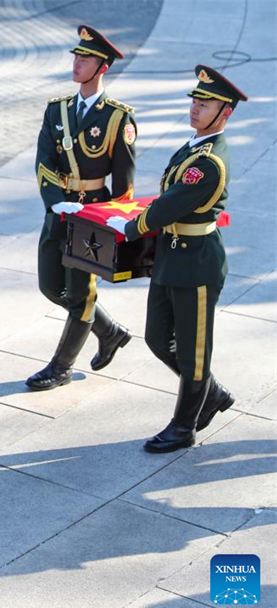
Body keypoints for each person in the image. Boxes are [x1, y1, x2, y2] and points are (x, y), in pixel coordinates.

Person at [106, 66, 245, 453]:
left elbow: (171, 203)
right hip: (171, 255)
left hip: (197, 263)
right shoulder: (194, 146)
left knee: (193, 350)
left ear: (225, 112)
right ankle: (211, 394)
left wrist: (131, 227)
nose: (196, 109)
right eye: (195, 101)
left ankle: (184, 427)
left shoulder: (209, 161)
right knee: (156, 337)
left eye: (205, 104)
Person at [29, 25, 136, 392]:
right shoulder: (56, 110)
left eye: (85, 58)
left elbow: (124, 184)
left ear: (102, 66)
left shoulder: (117, 118)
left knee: (81, 293)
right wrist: (54, 200)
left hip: (92, 213)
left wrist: (117, 226)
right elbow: (43, 159)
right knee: (50, 285)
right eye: (76, 56)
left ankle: (61, 366)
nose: (77, 63)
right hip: (58, 209)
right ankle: (110, 331)